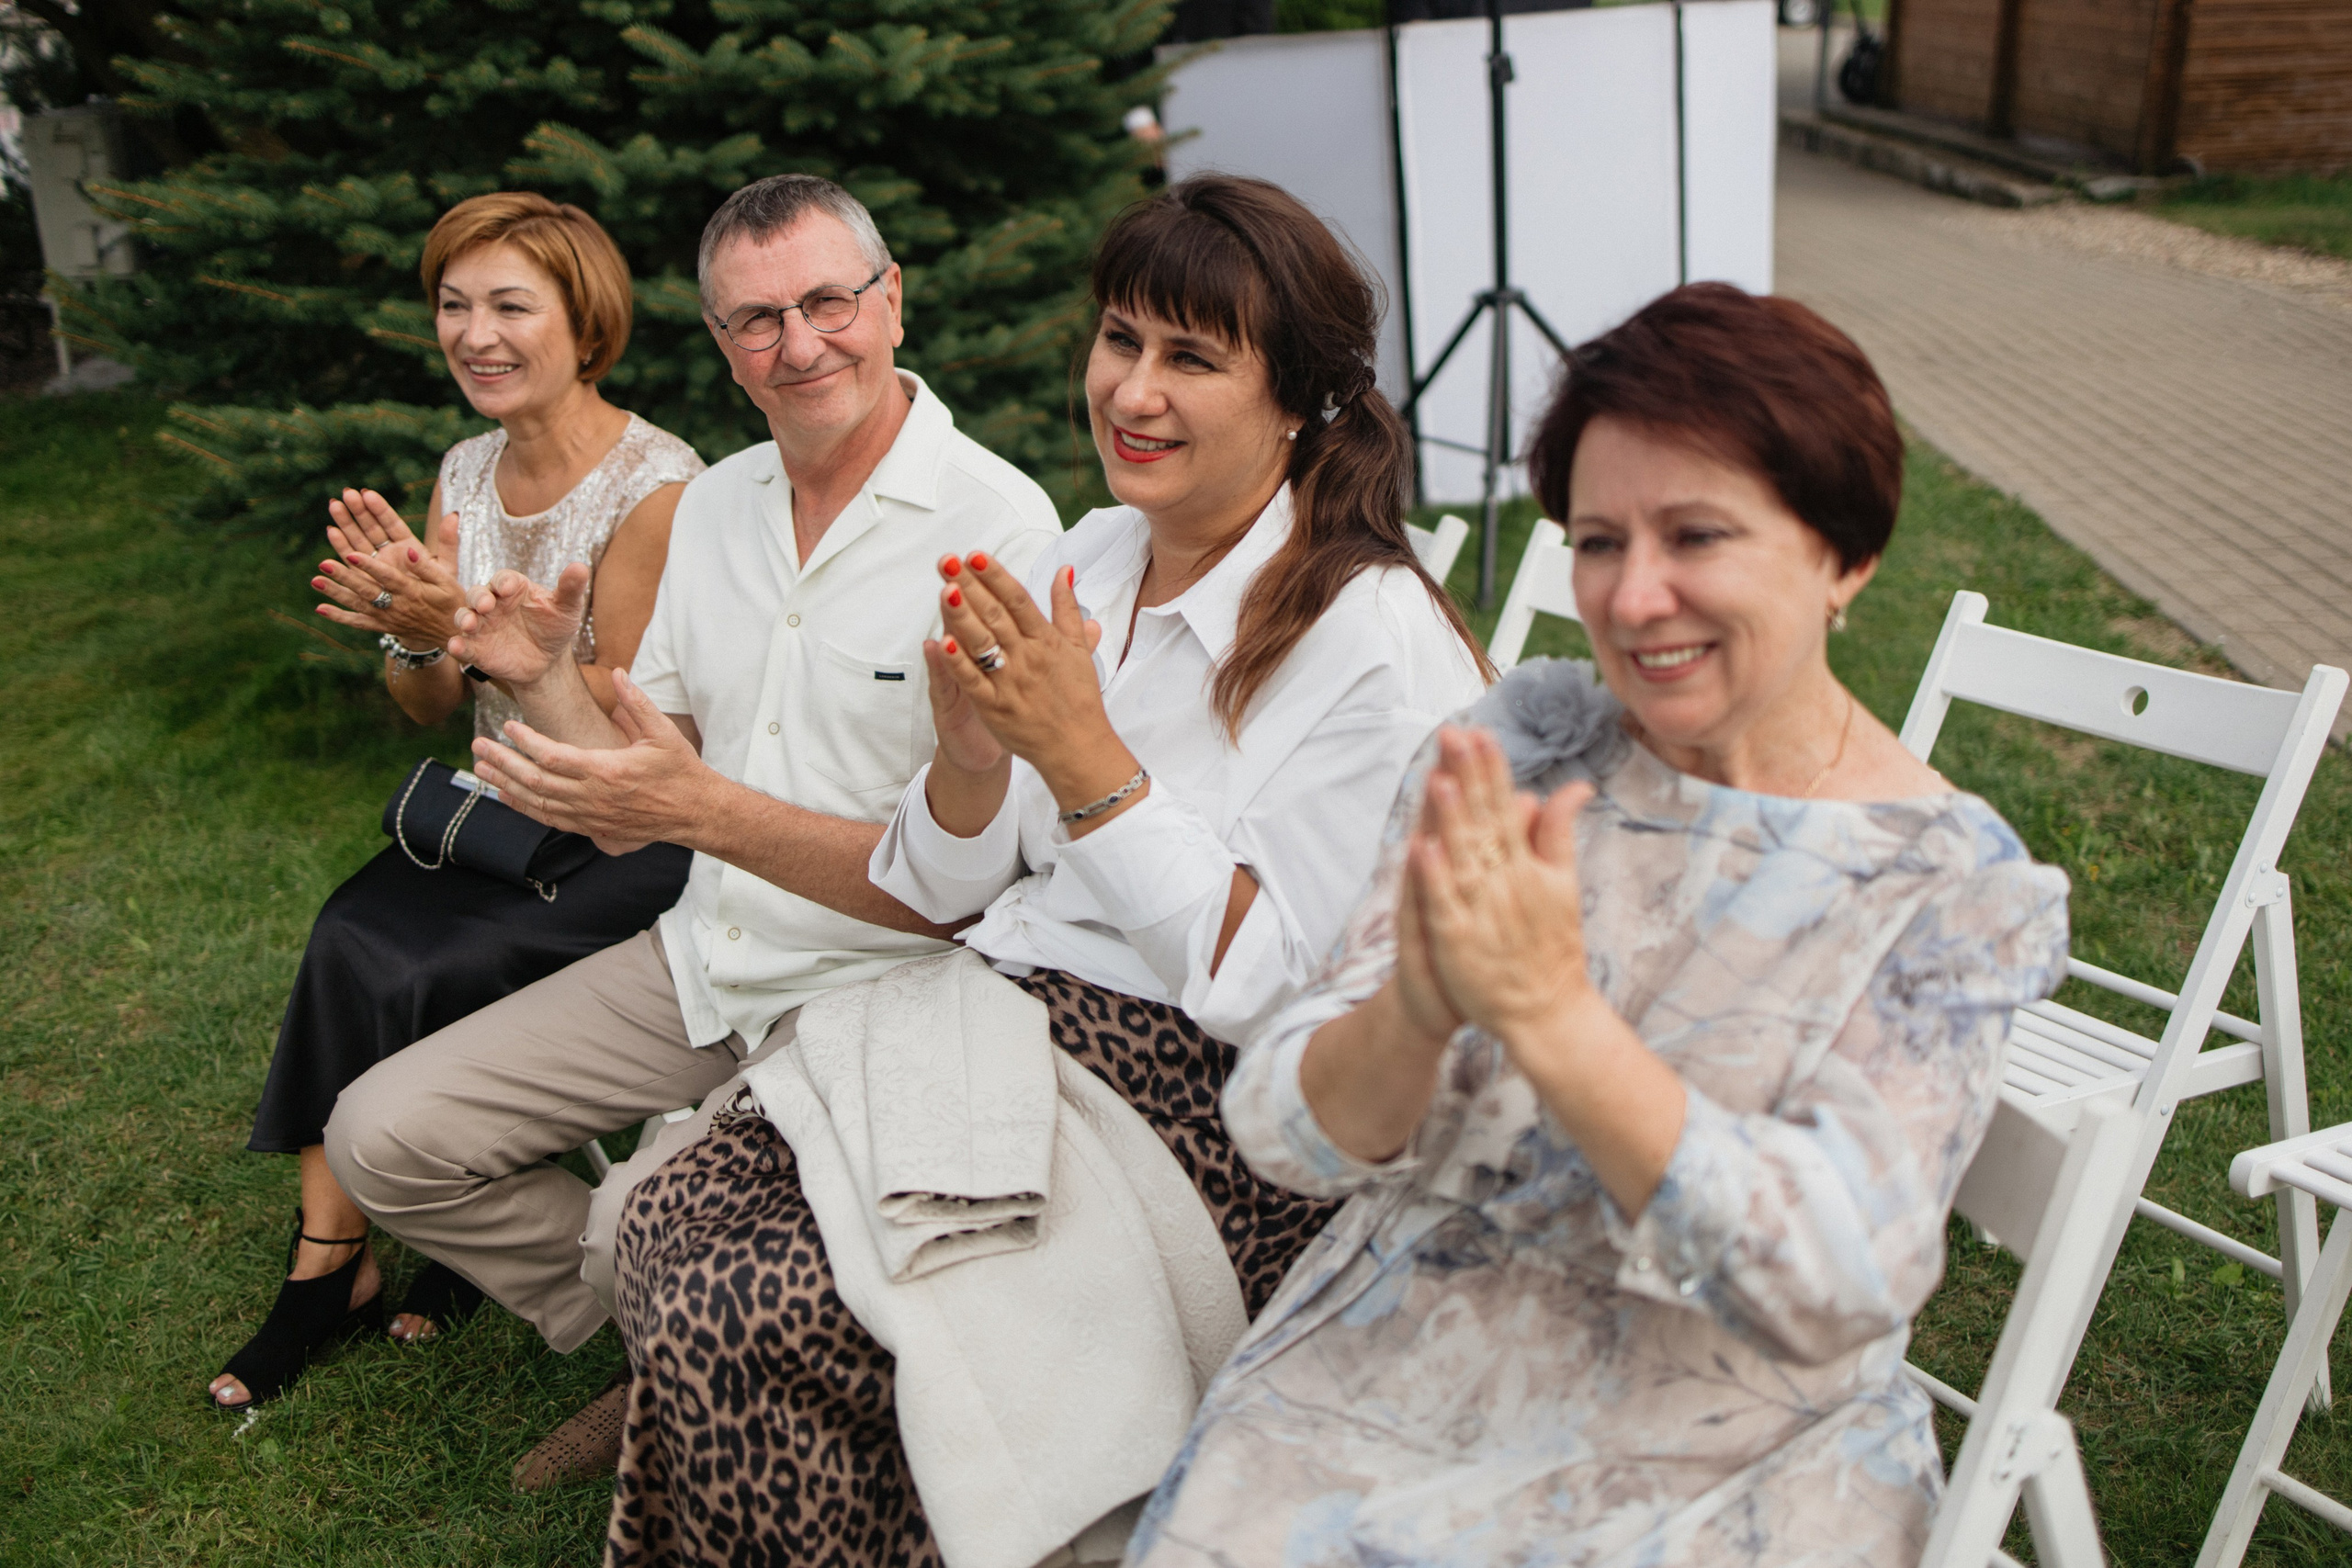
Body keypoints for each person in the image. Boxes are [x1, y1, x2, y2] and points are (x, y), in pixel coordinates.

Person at [597, 175, 1492, 1566]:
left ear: (1302, 398)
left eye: (1192, 358)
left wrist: (1091, 769)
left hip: (1212, 1116)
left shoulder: (1371, 644)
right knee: (667, 1220)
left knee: (754, 1307)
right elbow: (954, 878)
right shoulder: (1096, 557)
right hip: (1008, 1013)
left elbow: (1290, 1001)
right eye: (1121, 339)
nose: (1131, 392)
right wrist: (966, 759)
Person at [1125, 282, 2075, 1566]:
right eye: (1598, 541)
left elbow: (1833, 1281)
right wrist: (1415, 1003)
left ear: (1845, 555)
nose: (1632, 601)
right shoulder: (1522, 745)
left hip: (1705, 1461)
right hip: (1378, 1382)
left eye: (1697, 537)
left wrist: (1552, 1021)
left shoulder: (1948, 887)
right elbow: (1287, 1134)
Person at [320, 173, 1063, 1484]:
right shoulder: (718, 503)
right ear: (722, 348)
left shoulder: (996, 526)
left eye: (829, 302)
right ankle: (668, 1346)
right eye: (756, 321)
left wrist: (698, 809)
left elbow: (977, 887)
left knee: (633, 1220)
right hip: (704, 955)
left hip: (887, 989)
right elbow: (627, 777)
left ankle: (696, 1324)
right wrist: (533, 670)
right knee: (388, 1134)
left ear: (893, 304)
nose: (800, 343)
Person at [208, 192, 704, 1410]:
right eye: (453, 304)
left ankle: (383, 1256)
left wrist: (463, 639)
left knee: (411, 957)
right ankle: (336, 1264)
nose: (473, 333)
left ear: (584, 325)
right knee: (349, 935)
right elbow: (425, 708)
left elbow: (631, 733)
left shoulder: (658, 486)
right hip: (490, 816)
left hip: (618, 834)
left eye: (508, 306)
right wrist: (412, 629)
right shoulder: (463, 469)